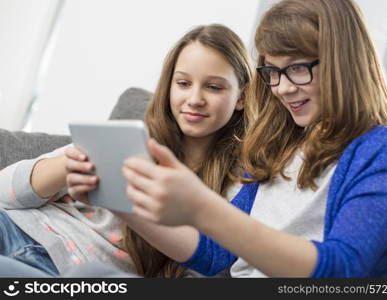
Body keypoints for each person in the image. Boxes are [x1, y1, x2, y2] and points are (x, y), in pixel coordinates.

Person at [114, 0, 387, 277]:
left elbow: (343, 268)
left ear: (343, 63)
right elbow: (214, 254)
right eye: (273, 71)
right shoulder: (277, 144)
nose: (283, 88)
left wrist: (203, 207)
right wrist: (120, 203)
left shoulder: (386, 148)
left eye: (298, 69)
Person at [0, 24, 252, 277]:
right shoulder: (129, 138)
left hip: (65, 268)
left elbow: (210, 264)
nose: (195, 99)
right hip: (14, 228)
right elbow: (5, 192)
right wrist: (69, 165)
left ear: (241, 97)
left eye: (214, 87)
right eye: (184, 83)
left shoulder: (238, 188)